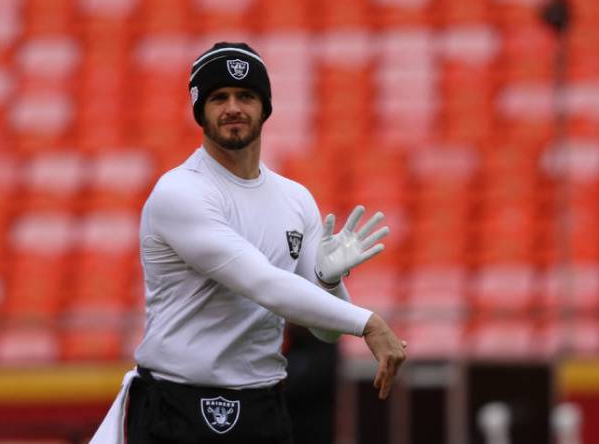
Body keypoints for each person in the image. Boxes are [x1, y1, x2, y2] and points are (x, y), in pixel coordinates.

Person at [90, 42, 407, 444]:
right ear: (199, 109)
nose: (233, 108)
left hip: (263, 408)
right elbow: (263, 284)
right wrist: (367, 322)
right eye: (219, 97)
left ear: (265, 106)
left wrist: (328, 283)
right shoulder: (180, 192)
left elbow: (324, 333)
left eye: (246, 96)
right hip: (176, 406)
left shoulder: (295, 199)